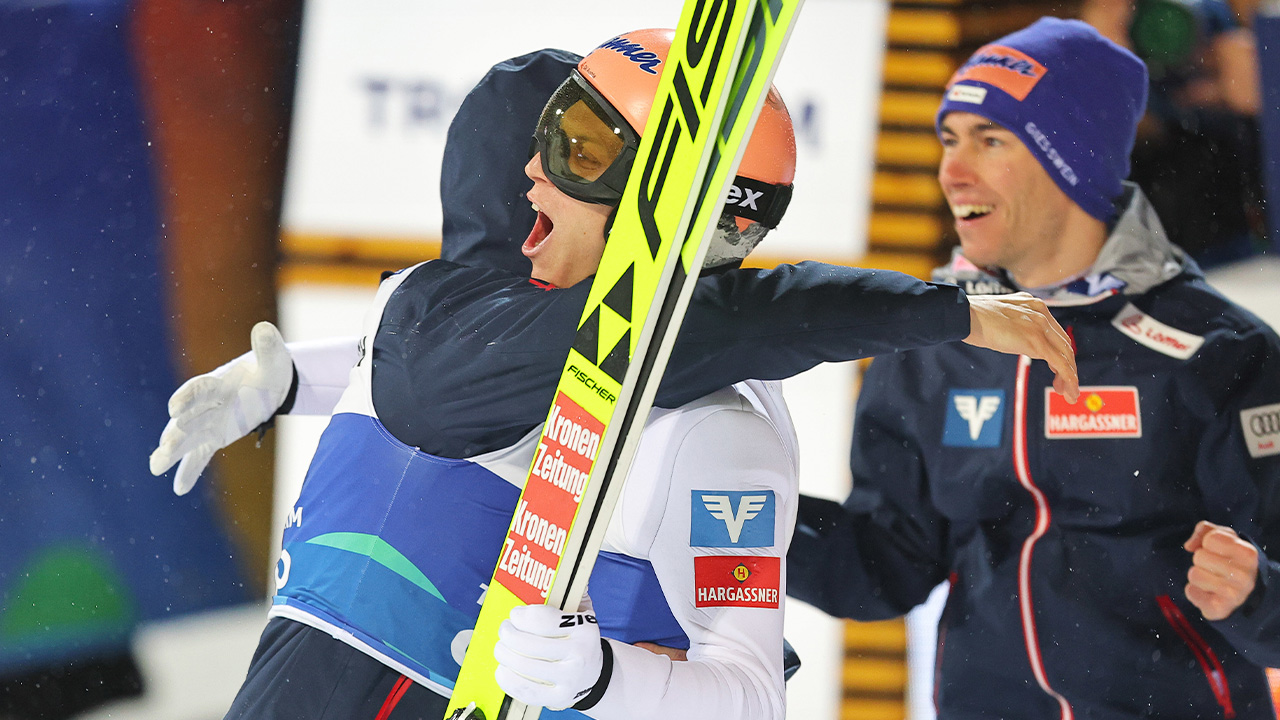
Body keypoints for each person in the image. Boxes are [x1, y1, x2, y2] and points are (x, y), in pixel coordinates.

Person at [150, 29, 1077, 720]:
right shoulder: (434, 312)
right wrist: (286, 383)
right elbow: (446, 375)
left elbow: (750, 694)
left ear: (671, 202)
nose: (531, 173)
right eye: (554, 130)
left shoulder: (711, 435)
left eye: (578, 149)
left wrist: (604, 680)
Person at [786, 17, 1280, 719]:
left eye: (990, 141)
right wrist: (754, 523)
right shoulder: (929, 347)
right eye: (949, 139)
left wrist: (1255, 595)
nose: (953, 171)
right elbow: (885, 570)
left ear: (1071, 160)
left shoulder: (1219, 351)